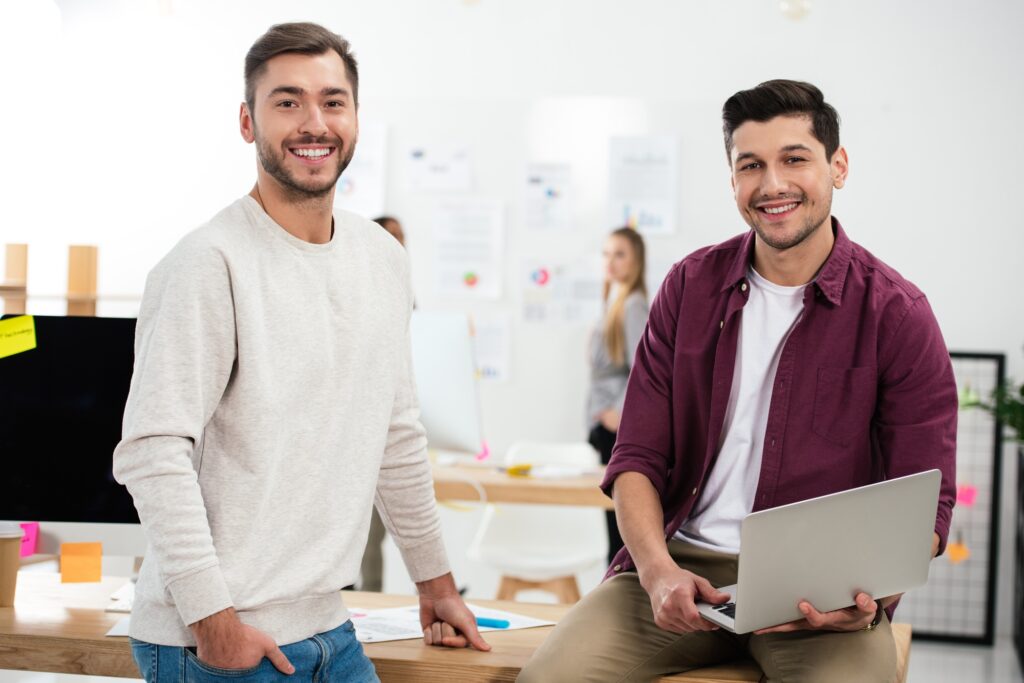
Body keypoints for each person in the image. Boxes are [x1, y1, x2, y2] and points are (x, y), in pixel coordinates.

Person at [519, 80, 956, 682]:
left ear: (838, 166)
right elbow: (636, 461)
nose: (772, 184)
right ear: (733, 182)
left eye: (794, 159)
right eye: (751, 165)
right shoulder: (687, 288)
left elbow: (926, 504)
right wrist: (655, 571)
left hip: (822, 592)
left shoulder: (897, 314)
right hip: (680, 567)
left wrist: (868, 596)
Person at [113, 22, 488, 683]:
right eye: (287, 101)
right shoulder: (208, 263)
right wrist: (213, 621)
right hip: (218, 643)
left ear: (355, 117)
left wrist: (436, 582)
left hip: (329, 627)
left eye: (332, 101)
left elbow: (396, 434)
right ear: (246, 121)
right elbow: (151, 450)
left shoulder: (382, 259)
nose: (313, 122)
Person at [586, 226, 649, 566]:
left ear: (636, 261)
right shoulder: (615, 301)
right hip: (603, 422)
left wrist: (619, 412)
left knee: (617, 526)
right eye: (606, 253)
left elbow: (646, 369)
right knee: (611, 522)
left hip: (616, 427)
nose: (611, 261)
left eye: (620, 254)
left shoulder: (634, 304)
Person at [356, 215, 407, 593]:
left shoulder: (403, 293)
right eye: (390, 237)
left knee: (380, 531)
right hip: (355, 434)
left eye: (402, 238)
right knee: (367, 534)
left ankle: (373, 598)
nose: (397, 245)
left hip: (390, 426)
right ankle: (365, 597)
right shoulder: (357, 289)